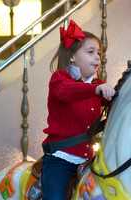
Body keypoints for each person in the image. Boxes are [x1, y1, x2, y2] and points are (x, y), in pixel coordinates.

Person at [41, 20, 115, 200]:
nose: (98, 57)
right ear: (72, 56)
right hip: (61, 160)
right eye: (91, 52)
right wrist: (95, 90)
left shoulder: (96, 86)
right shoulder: (60, 79)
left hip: (88, 161)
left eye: (99, 53)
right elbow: (67, 92)